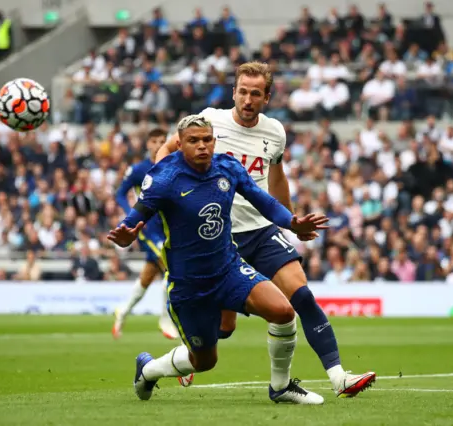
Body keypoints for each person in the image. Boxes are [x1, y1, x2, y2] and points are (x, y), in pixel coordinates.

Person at [156, 62, 376, 398]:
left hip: (260, 231)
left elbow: (277, 176)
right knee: (223, 330)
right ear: (234, 92)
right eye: (242, 91)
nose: (247, 99)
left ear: (267, 97)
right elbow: (169, 150)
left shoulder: (274, 132)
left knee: (300, 296)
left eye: (255, 93)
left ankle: (336, 376)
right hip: (220, 239)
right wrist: (161, 186)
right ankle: (176, 361)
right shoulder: (211, 121)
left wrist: (290, 222)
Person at [109, 115, 330, 404]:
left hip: (229, 269)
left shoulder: (227, 167)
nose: (202, 146)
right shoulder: (164, 178)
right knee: (204, 362)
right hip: (189, 286)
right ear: (180, 144)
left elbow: (264, 202)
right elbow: (134, 218)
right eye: (193, 141)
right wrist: (127, 236)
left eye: (207, 139)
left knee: (283, 312)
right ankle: (148, 370)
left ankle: (281, 387)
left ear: (214, 140)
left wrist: (292, 222)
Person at [113, 128, 178, 340]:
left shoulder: (172, 165)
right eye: (154, 141)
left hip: (168, 226)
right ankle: (165, 320)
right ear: (147, 144)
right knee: (171, 267)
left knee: (148, 276)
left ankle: (122, 311)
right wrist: (132, 213)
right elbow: (120, 193)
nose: (159, 144)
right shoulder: (139, 169)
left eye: (162, 140)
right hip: (148, 227)